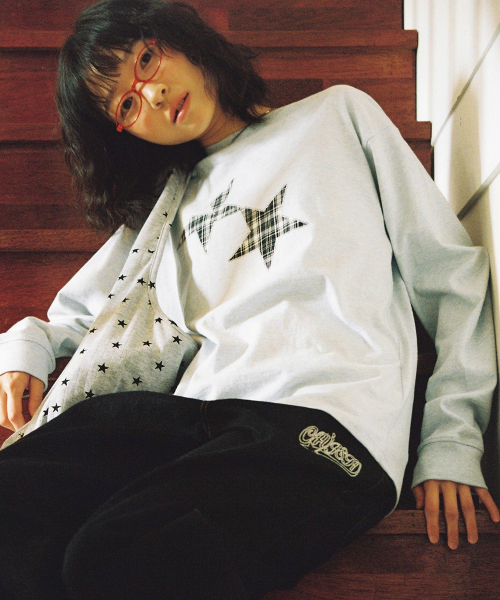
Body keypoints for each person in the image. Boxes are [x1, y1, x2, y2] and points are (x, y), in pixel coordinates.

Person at [0, 0, 498, 598]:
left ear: (176, 38)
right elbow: (82, 313)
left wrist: (451, 438)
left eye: (146, 61)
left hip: (327, 424)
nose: (152, 96)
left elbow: (449, 276)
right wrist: (24, 349)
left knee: (110, 555)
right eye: (126, 106)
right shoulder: (168, 205)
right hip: (200, 417)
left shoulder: (338, 116)